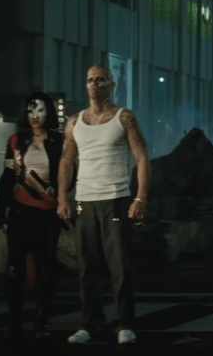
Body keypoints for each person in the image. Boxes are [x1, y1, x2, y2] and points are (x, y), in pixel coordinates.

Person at [56, 64, 150, 345]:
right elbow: (67, 160)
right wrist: (62, 198)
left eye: (101, 79)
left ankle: (123, 324)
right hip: (85, 201)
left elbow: (142, 158)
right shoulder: (74, 121)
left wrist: (140, 197)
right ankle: (89, 324)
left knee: (119, 266)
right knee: (87, 267)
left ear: (111, 85)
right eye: (90, 80)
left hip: (116, 199)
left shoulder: (124, 118)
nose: (95, 84)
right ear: (86, 85)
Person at [0, 92, 71, 342]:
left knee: (47, 267)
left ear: (49, 112)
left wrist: (60, 196)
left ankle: (41, 322)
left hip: (48, 213)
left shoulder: (60, 141)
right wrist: (1, 211)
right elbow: (7, 176)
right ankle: (14, 323)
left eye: (40, 110)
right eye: (30, 111)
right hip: (20, 210)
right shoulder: (16, 140)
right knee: (14, 268)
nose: (35, 116)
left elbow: (70, 174)